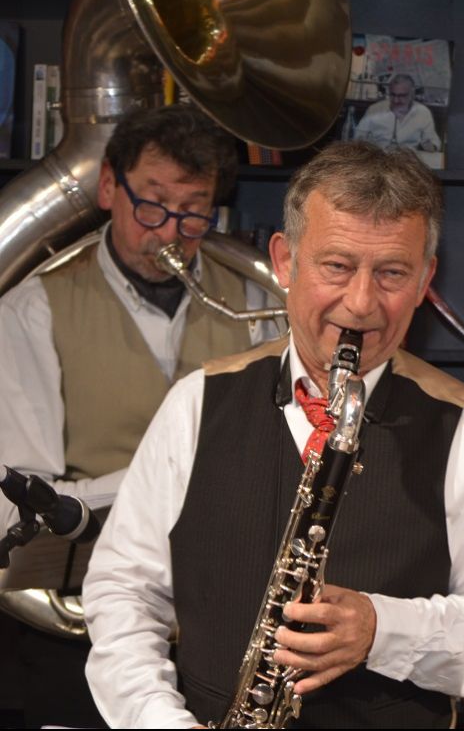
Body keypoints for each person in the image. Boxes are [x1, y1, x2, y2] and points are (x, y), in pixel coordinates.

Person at [83, 141, 464, 728]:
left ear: (426, 278)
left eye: (392, 273)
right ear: (285, 261)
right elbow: (123, 594)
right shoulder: (196, 403)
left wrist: (380, 629)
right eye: (337, 267)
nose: (362, 303)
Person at [0, 103, 281, 728]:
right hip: (81, 635)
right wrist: (161, 484)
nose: (170, 233)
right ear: (108, 187)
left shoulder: (256, 301)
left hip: (226, 630)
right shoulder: (34, 309)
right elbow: (20, 498)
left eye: (194, 210)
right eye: (152, 204)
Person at [353, 73, 442, 154]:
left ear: (412, 94)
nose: (396, 100)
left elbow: (434, 142)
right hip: (377, 157)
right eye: (393, 95)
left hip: (409, 160)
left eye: (402, 96)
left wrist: (429, 146)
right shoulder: (374, 110)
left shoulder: (423, 112)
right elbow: (358, 138)